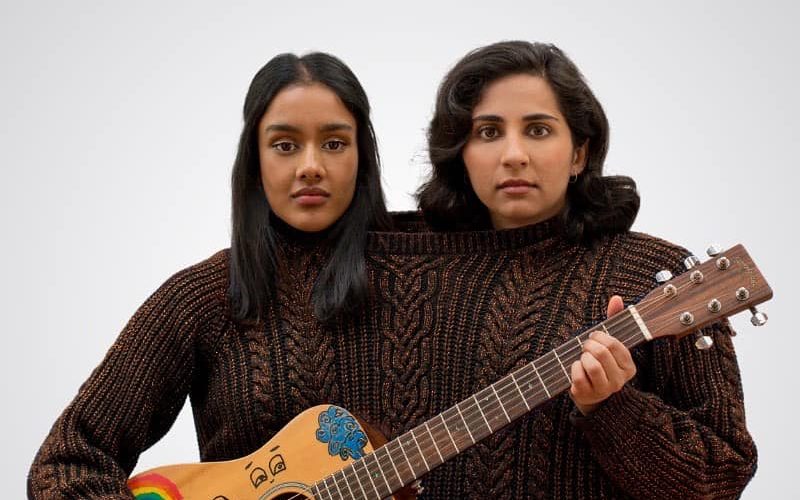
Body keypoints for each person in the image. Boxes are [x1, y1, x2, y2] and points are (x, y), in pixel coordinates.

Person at [27, 51, 391, 498]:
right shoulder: (204, 297)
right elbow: (65, 462)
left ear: (363, 156)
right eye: (284, 144)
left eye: (334, 143)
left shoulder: (429, 283)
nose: (311, 165)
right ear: (254, 162)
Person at [409, 40, 757, 498]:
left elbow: (723, 475)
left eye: (537, 130)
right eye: (489, 132)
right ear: (460, 153)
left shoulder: (656, 274)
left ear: (579, 153)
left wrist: (614, 409)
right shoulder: (412, 275)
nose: (513, 154)